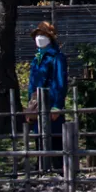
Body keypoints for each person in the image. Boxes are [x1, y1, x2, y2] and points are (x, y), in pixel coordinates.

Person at [24, 21, 67, 153]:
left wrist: (57, 106)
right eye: (38, 35)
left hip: (51, 102)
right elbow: (32, 83)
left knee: (54, 138)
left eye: (43, 35)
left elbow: (61, 81)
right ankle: (41, 167)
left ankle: (58, 169)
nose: (39, 38)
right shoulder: (37, 58)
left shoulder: (57, 57)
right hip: (37, 103)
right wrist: (30, 104)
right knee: (39, 137)